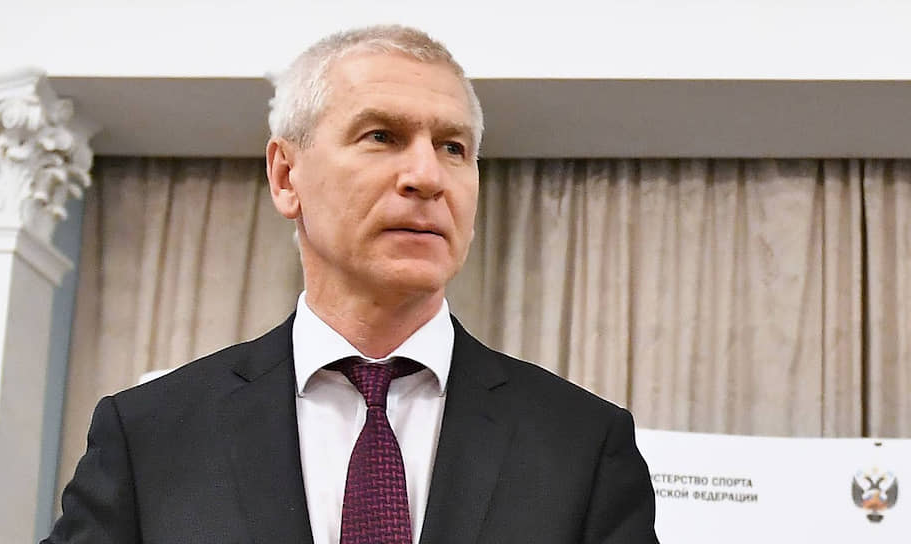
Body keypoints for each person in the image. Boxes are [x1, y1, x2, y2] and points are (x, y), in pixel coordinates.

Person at [45, 25, 657, 544]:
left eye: (453, 147)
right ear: (286, 177)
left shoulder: (582, 445)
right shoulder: (151, 435)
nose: (427, 176)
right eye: (381, 136)